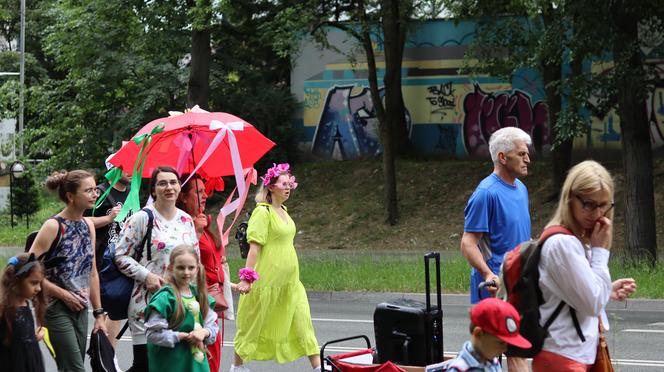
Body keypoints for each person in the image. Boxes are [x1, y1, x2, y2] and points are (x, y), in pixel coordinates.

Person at [532, 160, 636, 371]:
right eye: (589, 204)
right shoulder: (563, 244)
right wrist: (600, 251)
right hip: (563, 357)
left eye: (604, 205)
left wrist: (606, 291)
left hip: (572, 356)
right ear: (570, 199)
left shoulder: (575, 240)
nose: (598, 214)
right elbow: (592, 304)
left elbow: (577, 297)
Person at [231, 163, 320, 372]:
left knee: (302, 321)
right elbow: (254, 248)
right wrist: (247, 277)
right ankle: (236, 367)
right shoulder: (263, 212)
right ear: (271, 187)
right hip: (268, 281)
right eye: (283, 183)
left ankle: (318, 367)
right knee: (252, 325)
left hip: (290, 282)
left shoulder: (284, 210)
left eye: (290, 183)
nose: (288, 187)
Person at [115, 166, 200, 372]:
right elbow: (120, 255)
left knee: (171, 365)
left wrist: (196, 297)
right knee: (144, 366)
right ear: (153, 190)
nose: (169, 187)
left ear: (180, 187)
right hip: (147, 302)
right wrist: (147, 276)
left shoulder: (186, 220)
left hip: (179, 305)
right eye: (162, 183)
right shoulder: (142, 218)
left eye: (173, 182)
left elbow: (196, 261)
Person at [28, 170, 107, 372]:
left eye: (95, 189)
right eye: (88, 190)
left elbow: (93, 272)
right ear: (71, 196)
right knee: (75, 368)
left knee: (70, 366)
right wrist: (63, 295)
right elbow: (27, 271)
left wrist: (98, 313)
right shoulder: (53, 226)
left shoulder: (88, 225)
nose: (95, 194)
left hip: (80, 309)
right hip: (55, 308)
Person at [461, 126, 532, 303]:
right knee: (493, 332)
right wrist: (488, 274)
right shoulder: (486, 193)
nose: (528, 160)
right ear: (502, 157)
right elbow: (467, 243)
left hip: (519, 282)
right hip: (496, 288)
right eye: (521, 154)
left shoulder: (521, 188)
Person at [177, 173, 233, 372]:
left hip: (215, 299)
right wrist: (196, 232)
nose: (204, 196)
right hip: (198, 299)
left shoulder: (204, 222)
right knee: (202, 358)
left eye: (204, 191)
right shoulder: (183, 225)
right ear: (183, 196)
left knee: (214, 355)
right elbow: (183, 261)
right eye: (198, 192)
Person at [145, 245, 218, 372]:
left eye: (191, 268)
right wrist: (180, 336)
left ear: (197, 269)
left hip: (196, 364)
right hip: (170, 364)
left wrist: (204, 332)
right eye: (180, 267)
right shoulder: (165, 299)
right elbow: (152, 334)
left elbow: (213, 328)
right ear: (171, 268)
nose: (186, 272)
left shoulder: (201, 296)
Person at [84, 165, 131, 348]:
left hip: (122, 261)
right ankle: (102, 357)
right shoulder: (100, 194)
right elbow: (82, 222)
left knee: (117, 310)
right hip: (101, 262)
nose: (132, 172)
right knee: (103, 311)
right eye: (127, 166)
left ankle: (109, 357)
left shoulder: (131, 194)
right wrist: (108, 218)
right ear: (114, 169)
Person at [438, 298, 531, 372]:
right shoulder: (460, 369)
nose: (505, 349)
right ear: (478, 334)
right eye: (501, 343)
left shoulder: (491, 359)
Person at [0, 253, 47, 372]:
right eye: (33, 283)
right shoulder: (4, 308)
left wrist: (32, 338)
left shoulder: (25, 304)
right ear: (17, 281)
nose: (39, 288)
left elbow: (19, 339)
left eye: (40, 283)